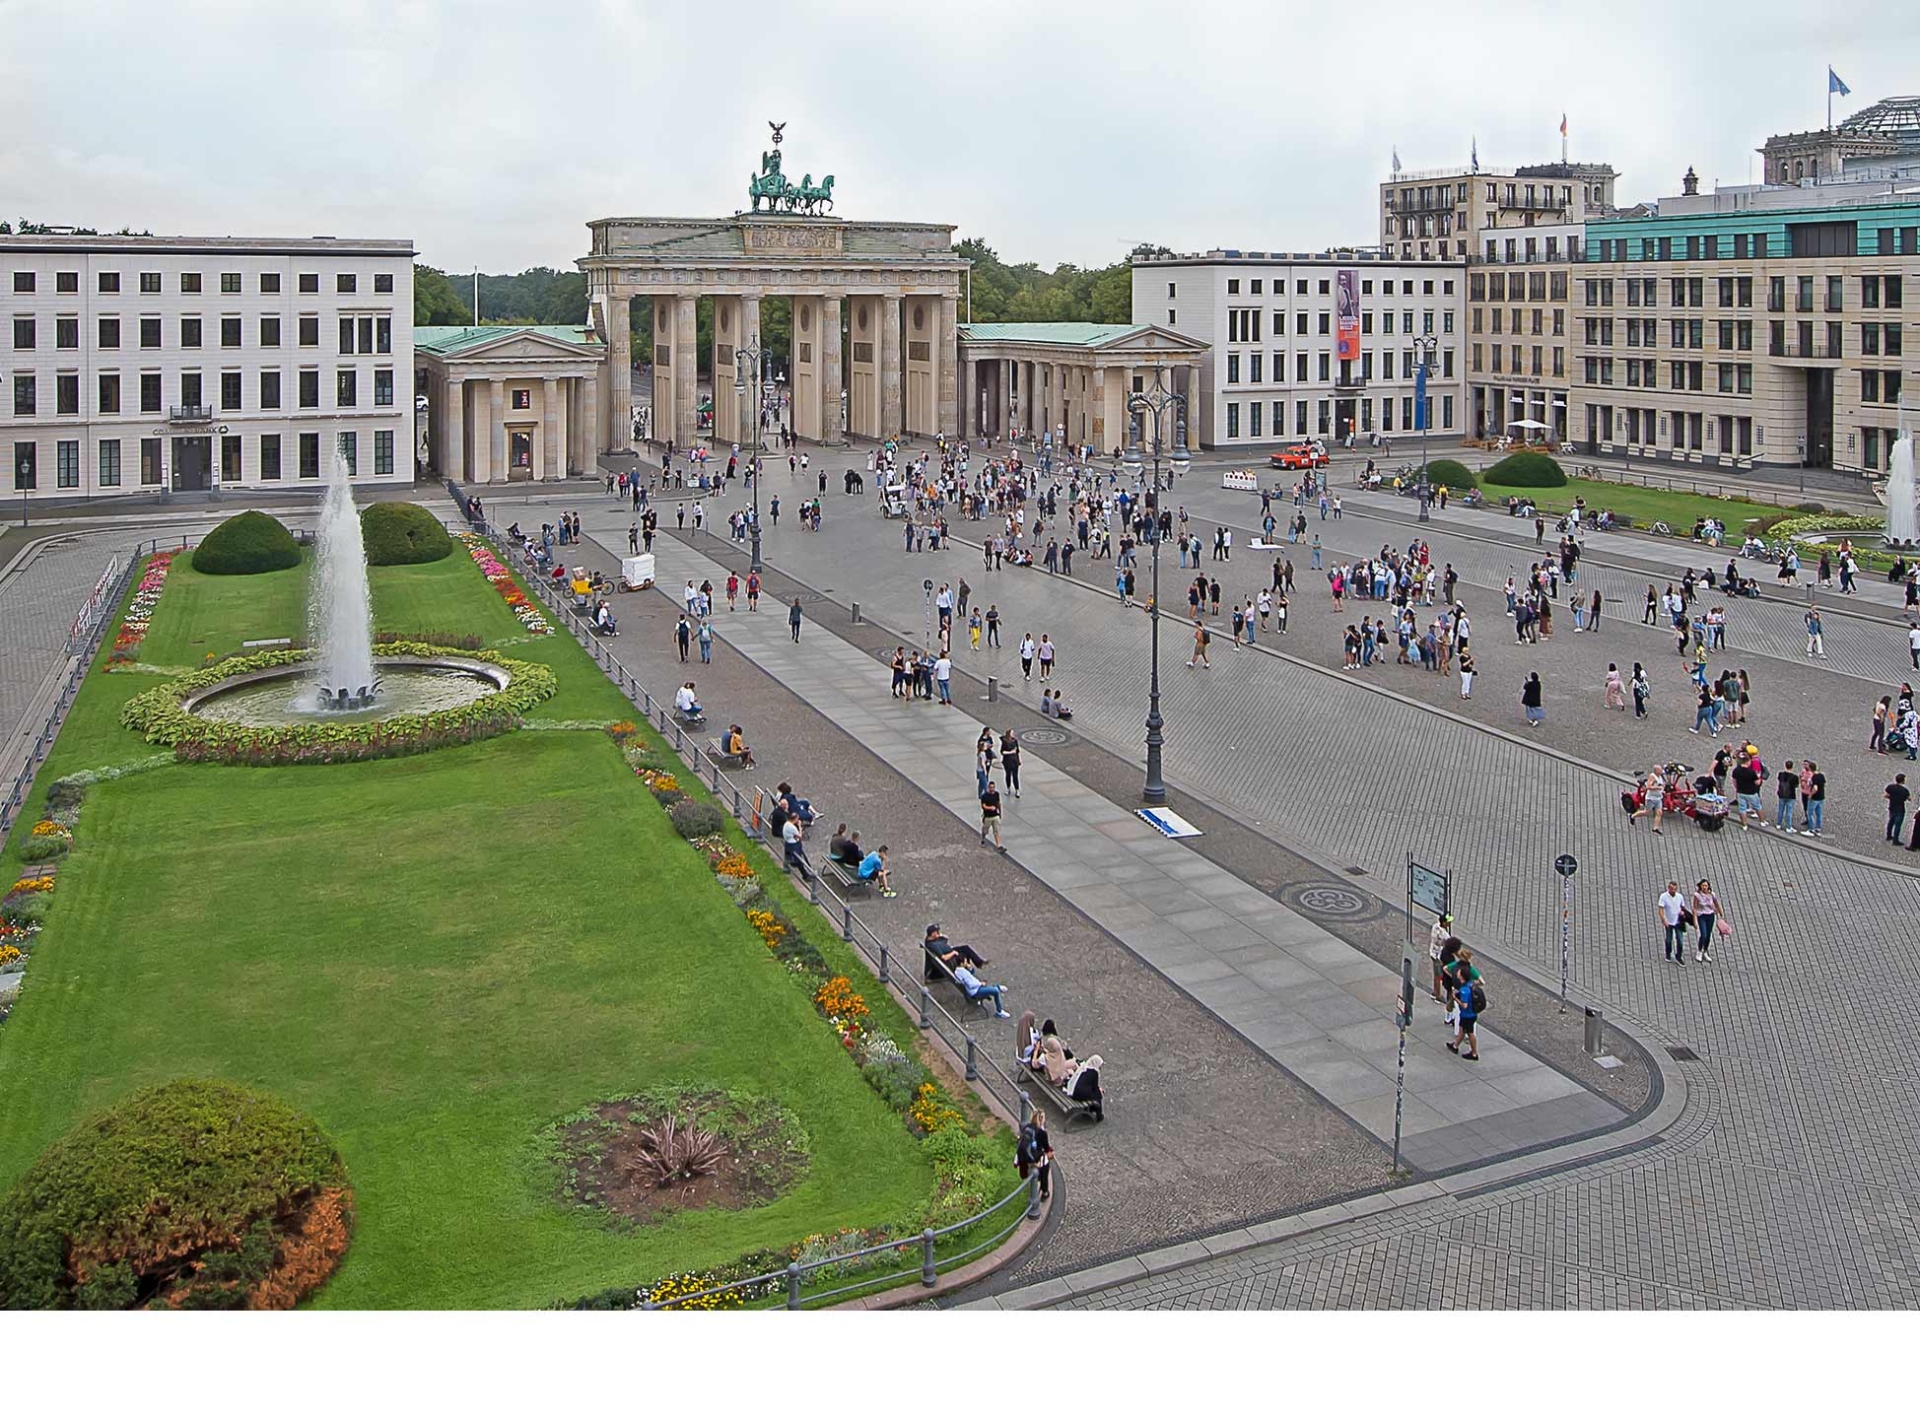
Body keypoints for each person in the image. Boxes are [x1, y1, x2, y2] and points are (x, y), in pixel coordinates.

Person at [923, 922, 989, 981]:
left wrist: (940, 935)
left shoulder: (932, 939)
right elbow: (944, 957)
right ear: (932, 934)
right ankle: (967, 970)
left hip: (949, 952)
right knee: (963, 955)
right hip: (948, 959)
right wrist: (953, 953)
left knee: (965, 948)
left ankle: (979, 962)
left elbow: (946, 938)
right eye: (937, 931)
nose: (938, 932)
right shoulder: (933, 946)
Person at [1017, 1106, 1054, 1197]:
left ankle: (1036, 1183)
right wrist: (1051, 1153)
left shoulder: (1027, 1128)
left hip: (1027, 1159)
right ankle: (1044, 1191)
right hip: (1036, 1158)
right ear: (1042, 1120)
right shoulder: (1042, 1133)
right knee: (1045, 1166)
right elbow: (1046, 1148)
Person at [1061, 1054, 1106, 1121]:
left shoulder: (1084, 1068)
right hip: (1080, 1094)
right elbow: (1095, 1087)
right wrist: (1100, 1091)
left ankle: (1089, 1110)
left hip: (1075, 1092)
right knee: (1098, 1095)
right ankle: (1099, 1115)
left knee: (1095, 1094)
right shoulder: (1094, 1073)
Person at [1691, 878, 1722, 963]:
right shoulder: (1697, 895)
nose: (1704, 887)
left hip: (1710, 916)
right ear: (1700, 886)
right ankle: (1699, 950)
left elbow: (1716, 904)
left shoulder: (1712, 894)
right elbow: (1695, 908)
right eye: (1703, 885)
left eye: (1706, 885)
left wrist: (1720, 913)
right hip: (1702, 916)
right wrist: (1695, 920)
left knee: (1708, 935)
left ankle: (1705, 951)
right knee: (1703, 934)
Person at [1428, 912, 1455, 1003]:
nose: (1450, 923)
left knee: (1437, 974)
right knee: (1439, 976)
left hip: (1433, 953)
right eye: (1448, 922)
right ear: (1444, 923)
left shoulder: (1435, 926)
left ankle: (1435, 991)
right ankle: (1438, 995)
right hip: (1439, 957)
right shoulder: (1445, 935)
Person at [781, 815, 812, 879]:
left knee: (787, 855)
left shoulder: (786, 824)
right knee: (799, 860)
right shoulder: (792, 827)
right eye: (797, 819)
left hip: (787, 842)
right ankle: (805, 875)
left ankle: (786, 867)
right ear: (794, 819)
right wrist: (800, 826)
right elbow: (800, 836)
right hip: (793, 845)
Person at [980, 778, 1005, 850]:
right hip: (988, 817)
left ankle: (999, 845)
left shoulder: (996, 794)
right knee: (985, 830)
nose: (992, 789)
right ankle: (983, 839)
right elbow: (983, 806)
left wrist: (999, 812)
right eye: (991, 787)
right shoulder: (984, 796)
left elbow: (998, 803)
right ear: (988, 788)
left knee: (996, 831)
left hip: (995, 816)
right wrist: (990, 808)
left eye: (993, 787)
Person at [1000, 729, 1022, 797]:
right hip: (1007, 761)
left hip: (1014, 761)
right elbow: (1002, 752)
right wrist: (1010, 752)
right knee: (1008, 775)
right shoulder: (1005, 742)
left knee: (1015, 776)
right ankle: (1008, 788)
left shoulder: (1015, 741)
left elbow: (1017, 751)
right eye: (1012, 733)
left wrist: (1018, 760)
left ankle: (1017, 789)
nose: (1013, 734)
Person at [1889, 774, 1911, 843]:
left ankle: (1888, 835)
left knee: (1891, 822)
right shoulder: (1905, 790)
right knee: (1898, 825)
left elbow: (1887, 795)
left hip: (1892, 806)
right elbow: (1909, 799)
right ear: (1902, 781)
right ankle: (1895, 840)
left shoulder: (1891, 787)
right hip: (1900, 809)